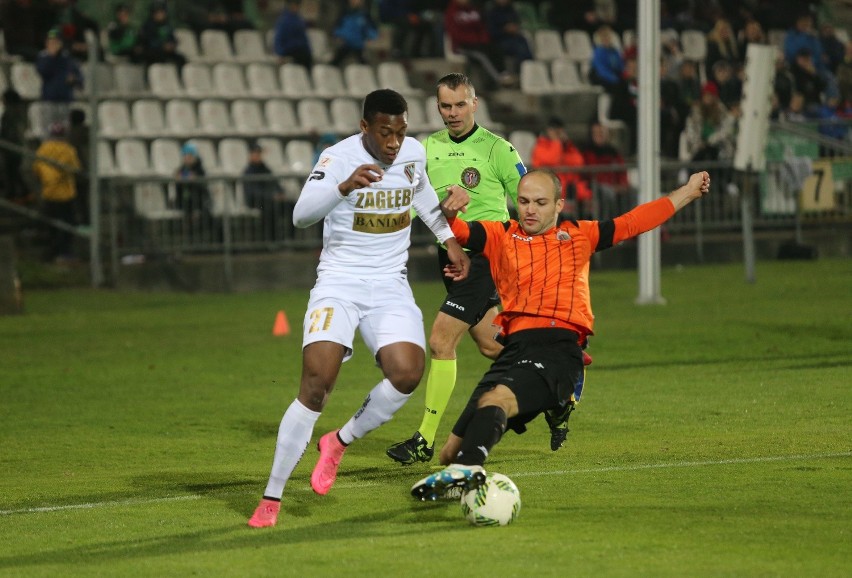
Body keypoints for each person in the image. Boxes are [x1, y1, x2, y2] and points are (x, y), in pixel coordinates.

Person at [410, 168, 711, 500]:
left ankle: (471, 472)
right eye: (523, 201)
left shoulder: (580, 235)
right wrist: (449, 210)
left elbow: (635, 221)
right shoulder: (501, 235)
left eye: (540, 202)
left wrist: (688, 191)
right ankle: (470, 472)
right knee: (449, 454)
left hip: (557, 350)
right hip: (513, 351)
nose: (530, 210)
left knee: (495, 403)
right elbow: (459, 231)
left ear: (559, 205)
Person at [247, 88, 471, 528]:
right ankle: (271, 495)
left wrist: (449, 239)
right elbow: (301, 215)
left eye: (401, 132)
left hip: (390, 284)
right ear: (364, 126)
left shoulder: (411, 154)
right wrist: (343, 187)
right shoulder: (337, 158)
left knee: (408, 372)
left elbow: (421, 193)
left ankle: (339, 441)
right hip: (339, 283)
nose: (393, 142)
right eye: (385, 132)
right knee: (316, 384)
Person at [386, 72, 527, 465]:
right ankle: (555, 386)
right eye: (445, 106)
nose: (452, 113)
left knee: (441, 341)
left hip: (486, 254)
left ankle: (424, 439)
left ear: (474, 103)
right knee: (491, 345)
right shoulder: (426, 148)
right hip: (449, 255)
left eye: (459, 104)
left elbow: (528, 201)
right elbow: (413, 198)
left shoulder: (498, 149)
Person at [32, 122, 82, 262]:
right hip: (66, 194)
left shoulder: (44, 148)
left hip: (49, 193)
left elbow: (37, 168)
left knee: (51, 226)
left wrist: (49, 178)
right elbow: (75, 168)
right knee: (67, 225)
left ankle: (52, 252)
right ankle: (65, 252)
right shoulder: (68, 149)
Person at [531, 116, 593, 220]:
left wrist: (567, 144)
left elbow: (578, 162)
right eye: (554, 130)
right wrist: (557, 142)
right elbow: (553, 159)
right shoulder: (540, 146)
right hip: (548, 187)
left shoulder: (566, 146)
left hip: (570, 187)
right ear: (548, 130)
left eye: (559, 131)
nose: (557, 134)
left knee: (586, 195)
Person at [36, 28, 84, 138]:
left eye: (56, 42)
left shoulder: (67, 58)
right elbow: (42, 71)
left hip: (65, 100)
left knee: (65, 132)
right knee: (48, 132)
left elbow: (79, 77)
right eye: (50, 42)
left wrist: (74, 80)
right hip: (49, 100)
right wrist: (52, 56)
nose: (53, 44)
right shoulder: (43, 57)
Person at [242, 141, 286, 242]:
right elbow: (251, 192)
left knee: (291, 206)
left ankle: (291, 241)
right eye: (255, 153)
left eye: (259, 153)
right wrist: (271, 196)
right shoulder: (248, 172)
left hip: (269, 200)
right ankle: (271, 241)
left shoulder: (265, 169)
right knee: (270, 209)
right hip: (256, 202)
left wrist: (280, 192)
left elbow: (275, 183)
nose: (257, 155)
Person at [137, 1, 187, 68]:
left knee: (181, 59)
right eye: (157, 13)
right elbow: (148, 41)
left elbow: (172, 38)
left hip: (166, 51)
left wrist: (172, 44)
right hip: (153, 52)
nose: (160, 15)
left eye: (162, 12)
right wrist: (162, 46)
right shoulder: (148, 26)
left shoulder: (167, 25)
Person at [1, 89, 30, 203]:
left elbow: (9, 131)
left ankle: (15, 194)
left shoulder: (10, 112)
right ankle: (20, 193)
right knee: (14, 171)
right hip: (18, 145)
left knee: (11, 171)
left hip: (11, 145)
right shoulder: (20, 110)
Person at [330, 0, 378, 66]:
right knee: (333, 64)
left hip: (359, 46)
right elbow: (336, 28)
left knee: (365, 66)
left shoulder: (365, 16)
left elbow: (372, 31)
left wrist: (370, 38)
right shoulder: (344, 14)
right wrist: (339, 36)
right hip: (345, 44)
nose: (355, 1)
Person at [272, 0, 313, 69]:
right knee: (302, 56)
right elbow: (278, 38)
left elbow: (304, 38)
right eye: (293, 5)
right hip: (288, 49)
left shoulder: (299, 20)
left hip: (299, 49)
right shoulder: (283, 20)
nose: (295, 7)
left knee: (307, 56)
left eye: (297, 5)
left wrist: (309, 49)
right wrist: (280, 53)